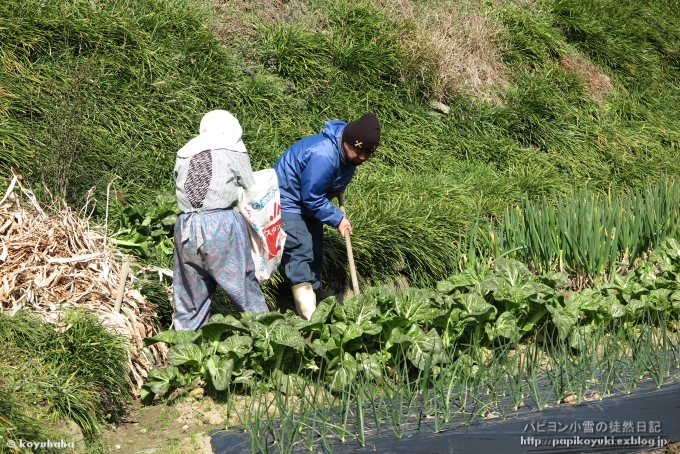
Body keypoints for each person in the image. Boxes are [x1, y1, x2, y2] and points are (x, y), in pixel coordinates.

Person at [273, 112, 380, 320]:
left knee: (314, 253)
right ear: (347, 142)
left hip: (308, 206)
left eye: (368, 153)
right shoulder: (324, 155)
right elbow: (311, 196)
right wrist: (337, 218)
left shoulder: (345, 154)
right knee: (301, 252)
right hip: (288, 203)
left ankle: (311, 301)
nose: (362, 158)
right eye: (358, 151)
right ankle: (310, 321)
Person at [172, 110, 269, 331]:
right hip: (221, 225)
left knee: (189, 299)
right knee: (244, 290)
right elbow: (250, 185)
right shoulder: (233, 149)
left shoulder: (184, 152)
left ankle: (187, 352)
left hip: (186, 227)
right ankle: (269, 339)